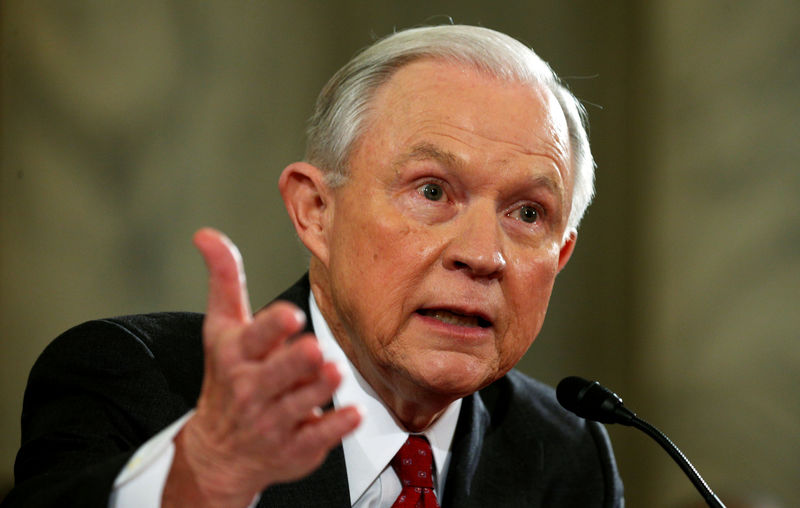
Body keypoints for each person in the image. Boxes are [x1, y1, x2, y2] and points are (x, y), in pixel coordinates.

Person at [2, 25, 624, 507]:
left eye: (528, 214)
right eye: (432, 192)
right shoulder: (141, 384)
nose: (483, 254)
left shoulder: (564, 452)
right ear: (315, 211)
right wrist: (199, 479)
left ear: (561, 255)